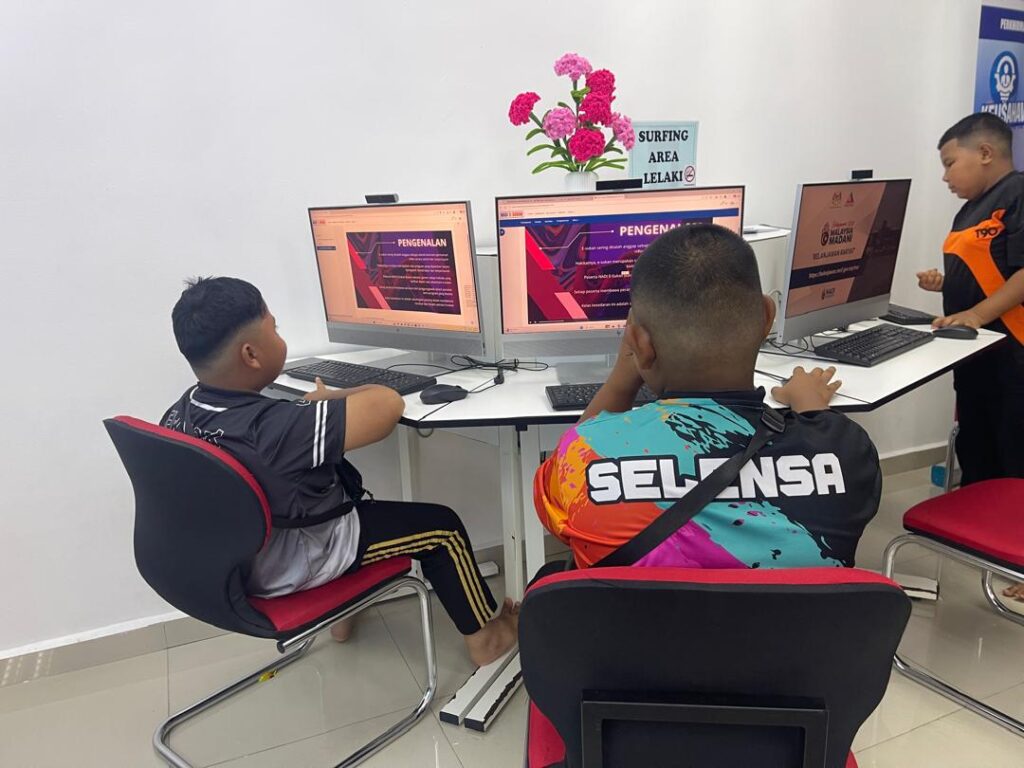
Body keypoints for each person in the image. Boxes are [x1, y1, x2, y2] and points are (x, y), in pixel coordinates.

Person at [162, 276, 517, 665]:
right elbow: (387, 404)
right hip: (297, 560)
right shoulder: (274, 429)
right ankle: (487, 640)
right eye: (274, 329)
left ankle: (342, 617)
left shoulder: (181, 412)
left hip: (240, 563)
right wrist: (330, 398)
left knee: (352, 497)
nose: (279, 336)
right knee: (442, 529)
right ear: (251, 354)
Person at [534, 224, 881, 570]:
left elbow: (555, 494)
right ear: (766, 318)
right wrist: (809, 401)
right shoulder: (849, 453)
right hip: (797, 610)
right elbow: (825, 435)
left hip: (635, 610)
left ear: (639, 344)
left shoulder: (580, 460)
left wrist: (626, 375)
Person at [919, 112, 1024, 601]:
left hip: (1013, 353)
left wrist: (977, 314)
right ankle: (987, 539)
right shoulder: (971, 210)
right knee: (981, 447)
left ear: (984, 153)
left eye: (949, 163)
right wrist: (946, 284)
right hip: (979, 357)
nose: (945, 177)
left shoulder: (1017, 194)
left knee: (1016, 451)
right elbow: (989, 269)